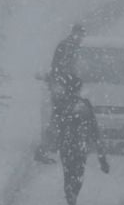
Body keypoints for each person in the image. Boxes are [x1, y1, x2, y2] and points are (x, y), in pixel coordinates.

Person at [55, 71, 109, 205]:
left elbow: (55, 127)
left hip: (66, 145)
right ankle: (74, 194)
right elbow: (94, 129)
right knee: (78, 173)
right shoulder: (85, 105)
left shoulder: (61, 105)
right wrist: (101, 155)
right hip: (80, 145)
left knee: (68, 173)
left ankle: (70, 199)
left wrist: (55, 142)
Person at [35, 23, 87, 163]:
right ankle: (44, 149)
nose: (80, 37)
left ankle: (53, 147)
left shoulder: (74, 47)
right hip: (63, 89)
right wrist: (62, 84)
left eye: (82, 34)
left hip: (66, 89)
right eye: (79, 34)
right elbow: (60, 68)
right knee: (58, 119)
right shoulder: (67, 47)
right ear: (74, 33)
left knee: (61, 119)